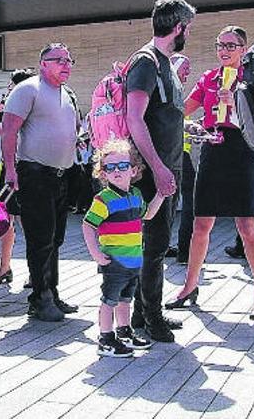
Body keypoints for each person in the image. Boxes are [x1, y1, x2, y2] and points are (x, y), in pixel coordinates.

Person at [165, 26, 254, 320]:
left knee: (247, 227)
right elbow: (182, 110)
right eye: (219, 45)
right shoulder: (208, 79)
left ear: (243, 49)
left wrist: (233, 103)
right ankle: (189, 287)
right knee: (201, 224)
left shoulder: (252, 79)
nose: (224, 50)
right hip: (212, 148)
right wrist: (189, 124)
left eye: (231, 45)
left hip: (243, 150)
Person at [125, 0, 196, 343]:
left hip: (168, 168)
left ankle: (143, 312)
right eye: (188, 28)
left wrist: (192, 130)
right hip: (153, 173)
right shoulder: (146, 62)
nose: (188, 34)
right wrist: (158, 167)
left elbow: (163, 117)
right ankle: (152, 318)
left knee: (157, 244)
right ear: (179, 27)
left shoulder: (166, 63)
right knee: (153, 248)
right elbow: (134, 118)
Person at [2, 43, 82, 322]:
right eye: (59, 59)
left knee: (56, 239)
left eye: (69, 59)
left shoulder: (66, 93)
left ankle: (52, 292)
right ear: (43, 63)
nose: (66, 64)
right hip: (34, 175)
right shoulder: (27, 89)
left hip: (61, 176)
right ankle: (39, 298)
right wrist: (10, 169)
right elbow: (9, 131)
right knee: (41, 239)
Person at [82, 139, 164, 357]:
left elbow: (147, 214)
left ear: (134, 170)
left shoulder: (135, 195)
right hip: (114, 261)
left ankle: (124, 332)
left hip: (133, 260)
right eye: (110, 167)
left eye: (122, 166)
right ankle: (106, 338)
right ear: (103, 173)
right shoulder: (104, 199)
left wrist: (161, 195)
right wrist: (96, 254)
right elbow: (88, 225)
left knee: (126, 299)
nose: (117, 171)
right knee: (109, 300)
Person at [0, 68, 36, 285]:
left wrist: (2, 130)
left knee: (28, 223)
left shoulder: (33, 109)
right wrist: (5, 105)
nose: (9, 91)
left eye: (12, 87)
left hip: (24, 169)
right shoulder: (11, 107)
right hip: (7, 169)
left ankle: (36, 272)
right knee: (5, 220)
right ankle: (4, 269)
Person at [166, 53, 195, 263]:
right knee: (189, 202)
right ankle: (185, 250)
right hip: (175, 156)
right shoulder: (171, 90)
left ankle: (165, 246)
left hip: (176, 154)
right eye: (185, 70)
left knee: (168, 202)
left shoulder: (172, 89)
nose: (188, 75)